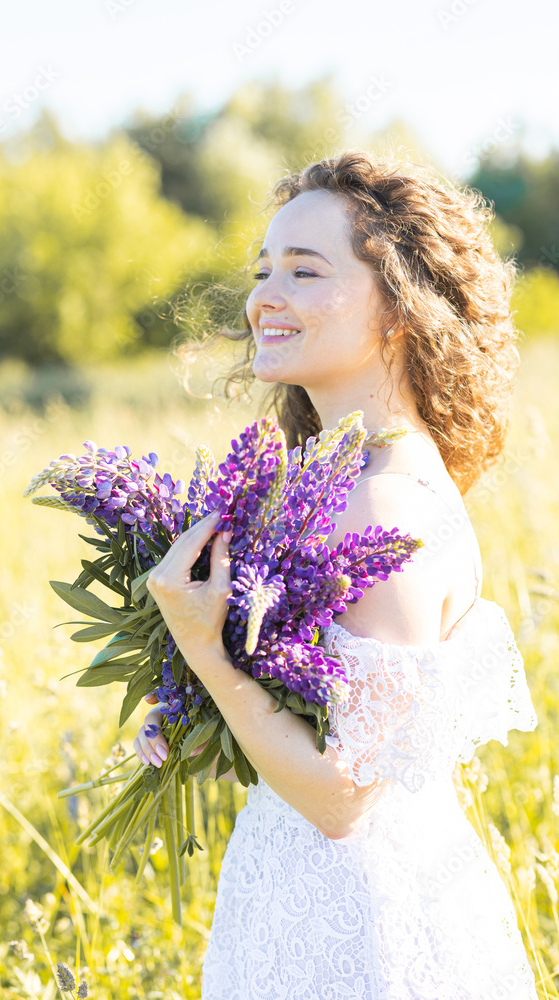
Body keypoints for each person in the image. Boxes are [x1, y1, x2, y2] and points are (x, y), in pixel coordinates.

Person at [133, 150, 539, 998]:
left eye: (303, 271)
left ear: (399, 306)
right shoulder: (344, 481)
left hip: (359, 935)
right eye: (262, 269)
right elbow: (329, 726)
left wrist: (203, 650)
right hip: (310, 902)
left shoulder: (383, 506)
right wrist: (201, 714)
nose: (262, 298)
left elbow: (343, 796)